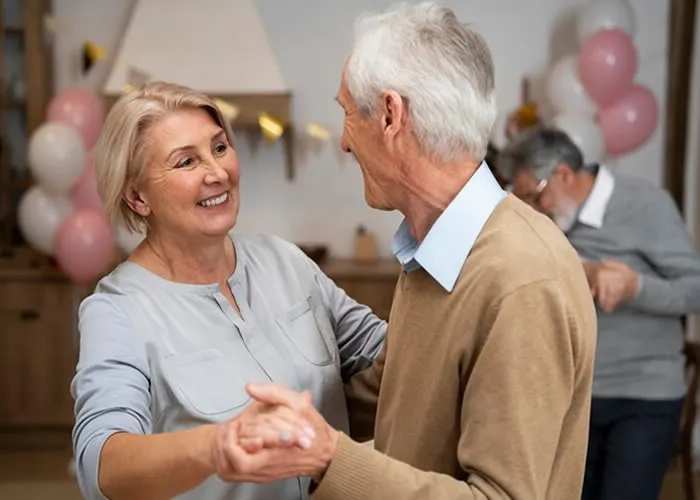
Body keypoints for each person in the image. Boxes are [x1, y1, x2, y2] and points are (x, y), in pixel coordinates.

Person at [209, 3, 598, 499]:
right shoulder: (434, 251)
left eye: (347, 112)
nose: (345, 143)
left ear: (391, 115)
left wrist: (330, 458)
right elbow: (401, 395)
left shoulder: (520, 281)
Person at [70, 81, 387, 500]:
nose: (217, 173)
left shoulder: (285, 260)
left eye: (219, 148)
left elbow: (387, 355)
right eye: (186, 162)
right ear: (136, 197)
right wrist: (216, 446)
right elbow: (100, 463)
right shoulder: (117, 311)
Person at [497, 126, 700, 500]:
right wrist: (580, 271)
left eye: (535, 196)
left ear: (563, 174)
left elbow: (694, 288)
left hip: (642, 394)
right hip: (571, 397)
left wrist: (635, 287)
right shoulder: (546, 221)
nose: (531, 208)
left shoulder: (646, 204)